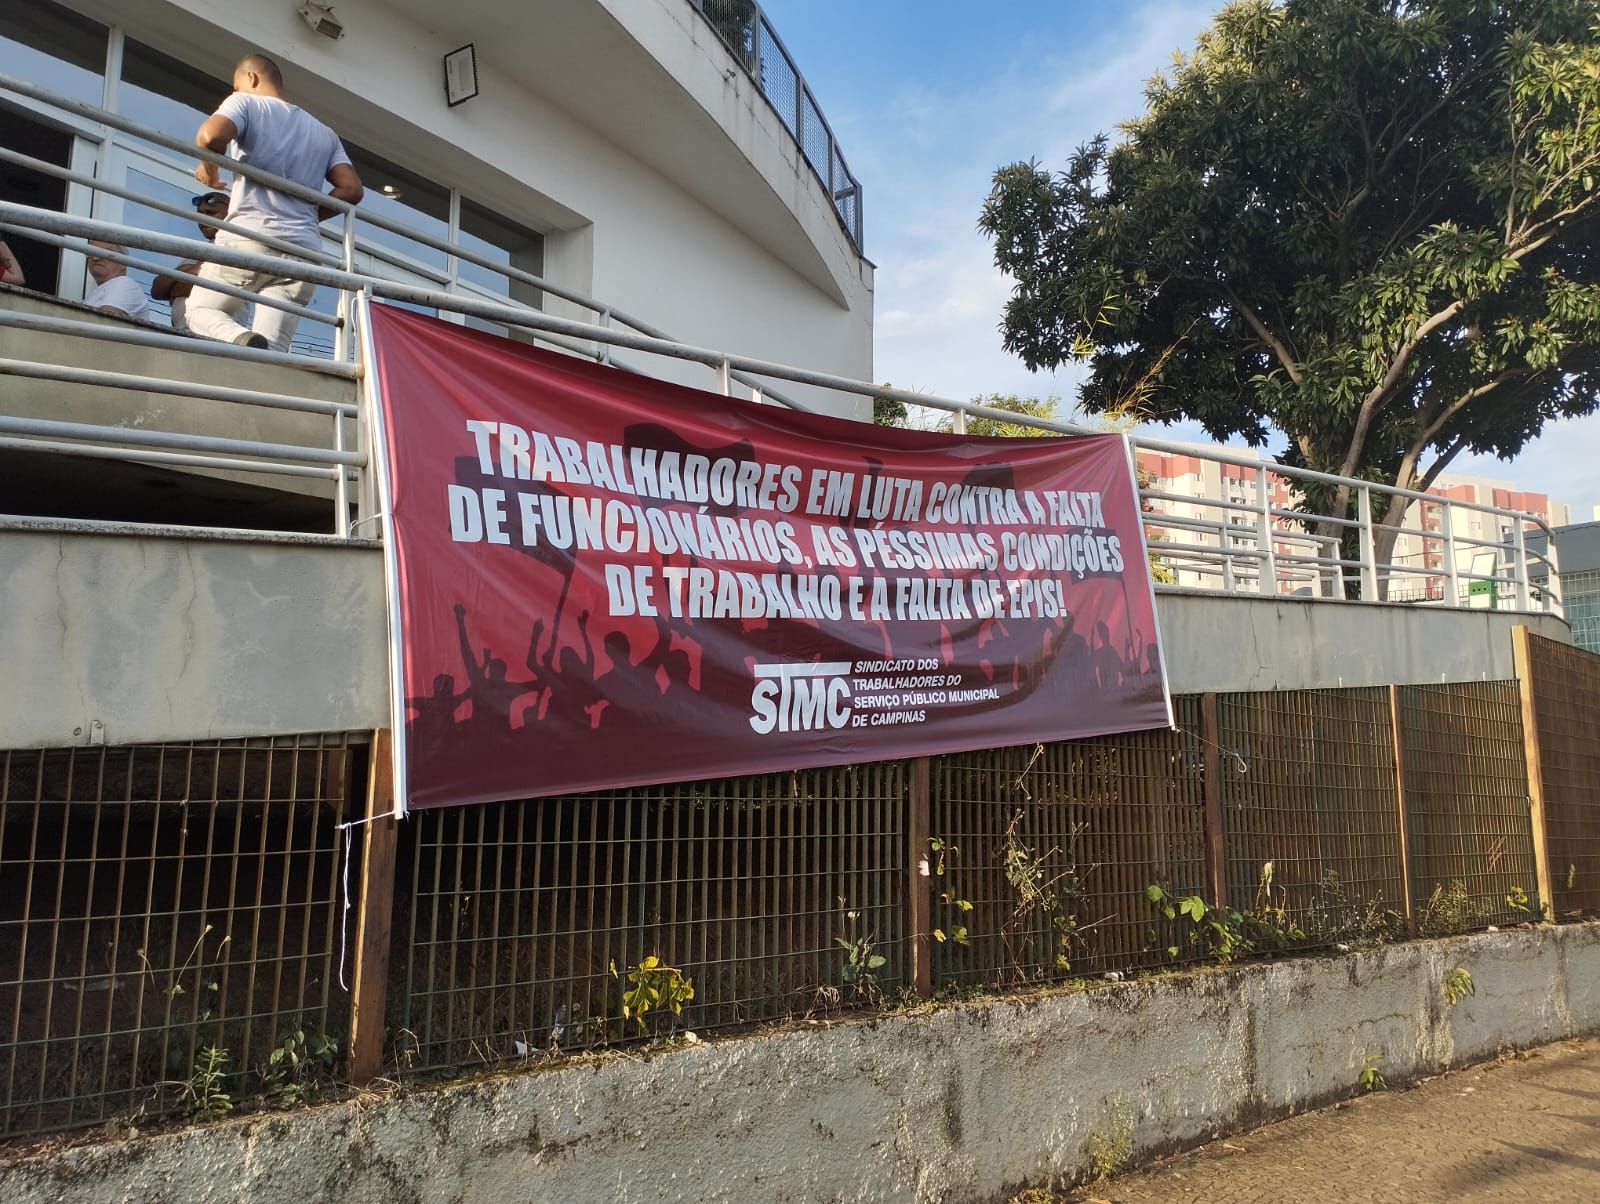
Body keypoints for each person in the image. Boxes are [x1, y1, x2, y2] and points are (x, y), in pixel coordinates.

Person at [186, 53, 362, 351]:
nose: (235, 91)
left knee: (198, 311)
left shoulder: (246, 103)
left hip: (250, 237)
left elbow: (210, 135)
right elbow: (352, 189)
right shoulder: (325, 134)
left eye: (236, 85)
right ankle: (258, 360)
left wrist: (210, 168)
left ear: (251, 78)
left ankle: (239, 339)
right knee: (274, 349)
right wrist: (307, 216)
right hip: (303, 251)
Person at [151, 190, 230, 331]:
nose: (204, 219)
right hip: (183, 334)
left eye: (211, 213)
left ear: (231, 215)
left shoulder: (236, 247)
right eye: (200, 214)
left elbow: (197, 287)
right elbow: (156, 289)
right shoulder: (196, 252)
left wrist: (174, 286)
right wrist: (187, 271)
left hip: (214, 336)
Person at [83, 240, 150, 320]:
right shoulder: (95, 293)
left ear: (123, 263)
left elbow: (104, 321)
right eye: (91, 252)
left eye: (105, 253)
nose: (95, 258)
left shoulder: (124, 284)